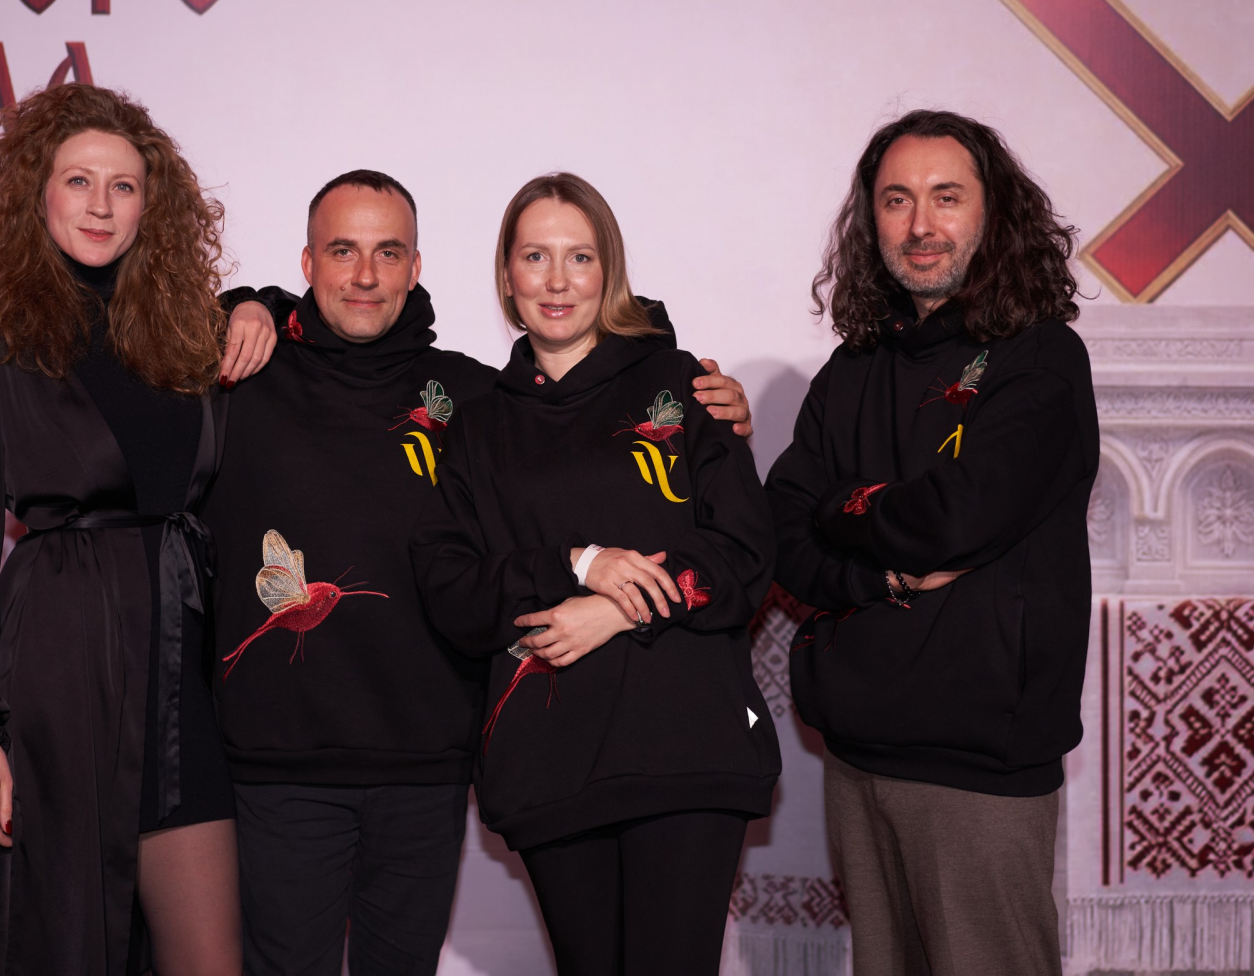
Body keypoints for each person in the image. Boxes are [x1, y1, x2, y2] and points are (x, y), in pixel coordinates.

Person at [199, 169, 758, 976]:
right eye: (343, 251)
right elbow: (457, 583)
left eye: (389, 252)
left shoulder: (472, 394)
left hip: (457, 762)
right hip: (301, 766)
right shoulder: (255, 381)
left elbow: (739, 543)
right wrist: (245, 301)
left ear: (417, 266)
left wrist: (700, 401)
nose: (365, 274)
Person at [0, 82, 251, 976]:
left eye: (124, 185)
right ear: (38, 194)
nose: (101, 205)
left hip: (182, 678)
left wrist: (254, 304)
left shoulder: (185, 337)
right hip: (60, 682)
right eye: (79, 181)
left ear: (151, 204)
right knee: (65, 950)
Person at [410, 173, 780, 976]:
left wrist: (618, 608)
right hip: (549, 760)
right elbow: (451, 588)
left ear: (609, 270)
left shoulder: (682, 385)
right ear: (506, 273)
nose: (557, 280)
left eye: (579, 256)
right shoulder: (477, 424)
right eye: (535, 256)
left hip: (684, 749)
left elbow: (747, 554)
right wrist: (575, 565)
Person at [764, 109, 1098, 976]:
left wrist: (839, 508)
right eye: (896, 199)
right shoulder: (853, 368)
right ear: (870, 220)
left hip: (978, 767)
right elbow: (781, 532)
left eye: (946, 197)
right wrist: (881, 580)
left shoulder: (1040, 360)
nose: (920, 224)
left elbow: (957, 516)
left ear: (994, 211)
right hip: (855, 755)